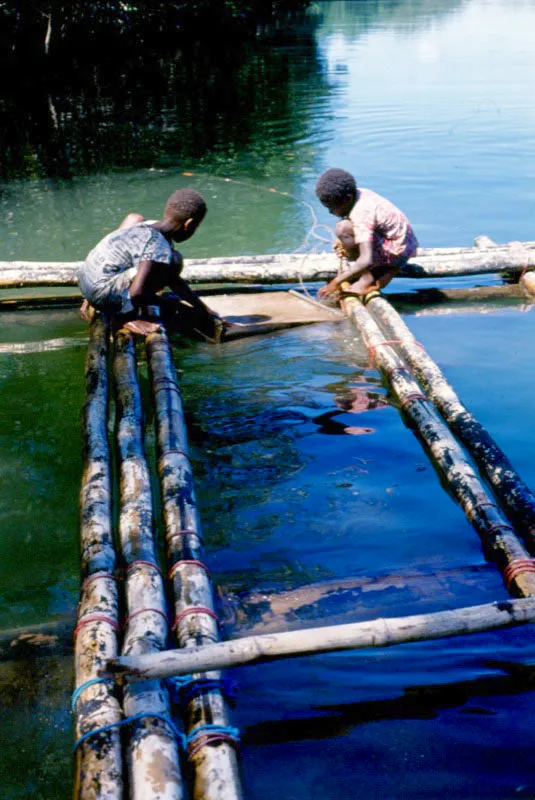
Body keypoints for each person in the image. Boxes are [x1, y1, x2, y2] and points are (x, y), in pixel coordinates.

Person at [78, 188, 224, 338]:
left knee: (167, 262)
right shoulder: (158, 247)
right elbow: (136, 292)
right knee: (172, 261)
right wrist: (129, 316)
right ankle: (122, 318)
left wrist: (203, 309)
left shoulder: (148, 225)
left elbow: (174, 281)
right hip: (101, 295)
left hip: (87, 281)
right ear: (189, 224)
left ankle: (115, 304)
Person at [315, 168, 418, 300]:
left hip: (397, 252)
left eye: (332, 207)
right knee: (346, 229)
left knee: (343, 228)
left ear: (347, 199)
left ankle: (375, 274)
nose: (330, 212)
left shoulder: (362, 212)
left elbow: (366, 260)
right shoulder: (360, 194)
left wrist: (335, 283)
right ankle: (367, 271)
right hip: (403, 244)